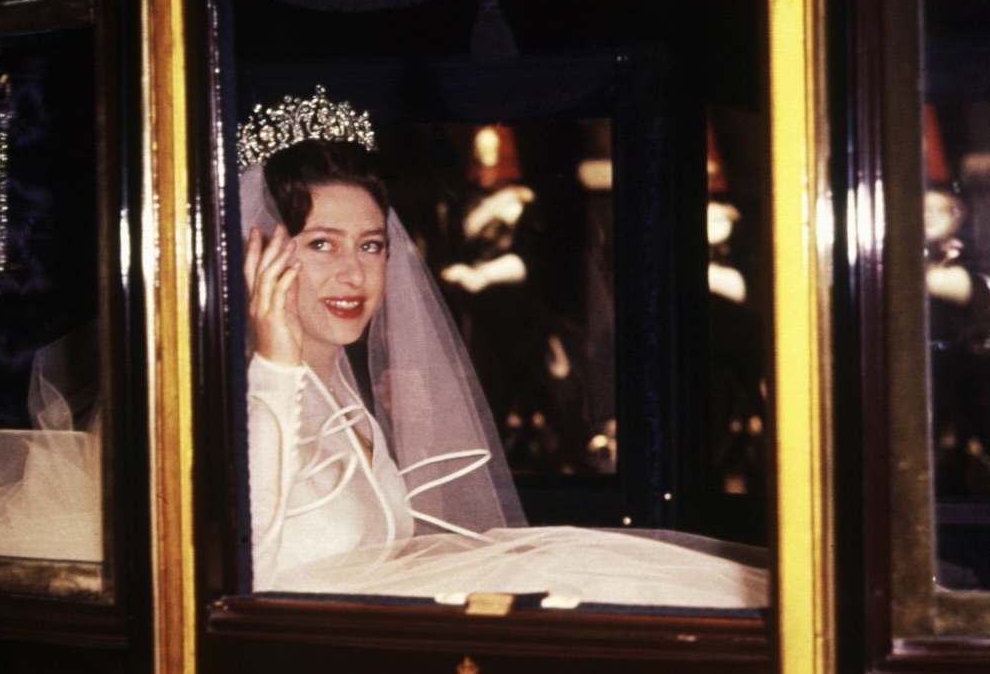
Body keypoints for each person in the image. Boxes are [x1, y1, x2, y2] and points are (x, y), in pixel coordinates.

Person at [239, 87, 767, 608]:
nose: (353, 273)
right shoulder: (246, 401)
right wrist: (277, 366)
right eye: (321, 244)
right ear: (259, 255)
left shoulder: (344, 400)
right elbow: (241, 586)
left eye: (370, 245)